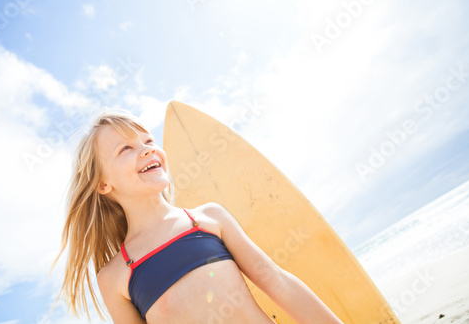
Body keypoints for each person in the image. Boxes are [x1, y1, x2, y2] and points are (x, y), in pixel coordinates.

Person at [51, 109, 344, 324]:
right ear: (103, 184)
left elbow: (279, 283)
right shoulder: (115, 276)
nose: (146, 150)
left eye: (148, 141)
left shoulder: (207, 219)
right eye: (126, 148)